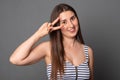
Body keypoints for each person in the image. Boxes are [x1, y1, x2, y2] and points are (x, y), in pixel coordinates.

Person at [9, 3, 94, 80]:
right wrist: (38, 34)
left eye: (72, 18)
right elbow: (15, 59)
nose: (71, 25)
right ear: (57, 26)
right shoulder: (48, 48)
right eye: (64, 22)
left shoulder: (88, 51)